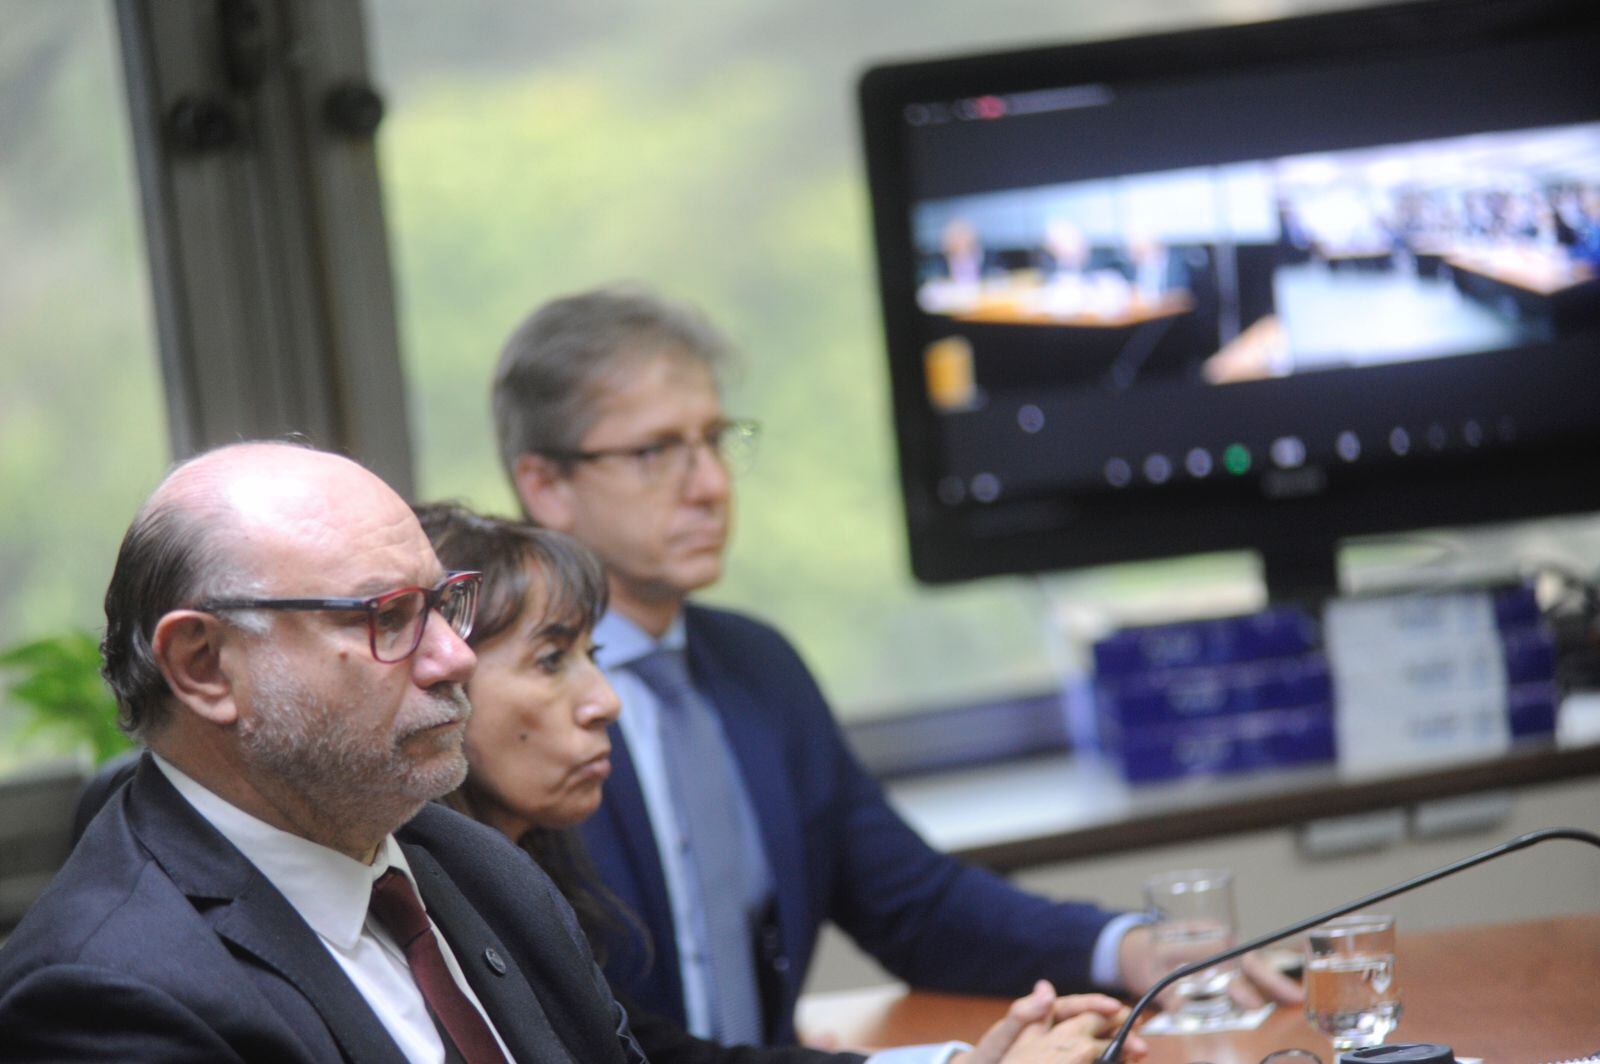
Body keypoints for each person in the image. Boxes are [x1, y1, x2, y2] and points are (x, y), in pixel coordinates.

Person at [489, 286, 1302, 1048]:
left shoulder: (754, 667)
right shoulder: (497, 713)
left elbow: (911, 902)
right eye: (657, 451)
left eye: (714, 440)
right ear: (547, 487)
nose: (710, 484)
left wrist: (1127, 948)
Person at [416, 501, 1149, 1064]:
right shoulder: (421, 904)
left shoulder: (520, 874)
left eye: (593, 655)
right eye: (551, 662)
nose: (605, 699)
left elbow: (657, 1055)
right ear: (440, 677)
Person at [0, 441, 646, 1062]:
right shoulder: (105, 992)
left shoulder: (478, 866)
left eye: (444, 604)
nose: (455, 656)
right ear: (204, 666)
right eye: (388, 617)